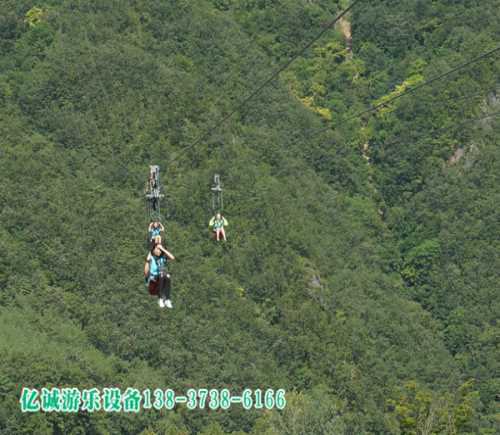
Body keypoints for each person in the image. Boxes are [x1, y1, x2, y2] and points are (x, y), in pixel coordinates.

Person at [144, 244, 175, 308]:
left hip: (160, 281)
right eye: (157, 249)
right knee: (161, 274)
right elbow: (145, 272)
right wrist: (147, 261)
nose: (159, 251)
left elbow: (172, 258)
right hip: (153, 282)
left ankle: (167, 299)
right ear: (154, 250)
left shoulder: (162, 258)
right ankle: (160, 299)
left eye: (160, 250)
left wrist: (163, 249)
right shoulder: (151, 258)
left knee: (167, 276)